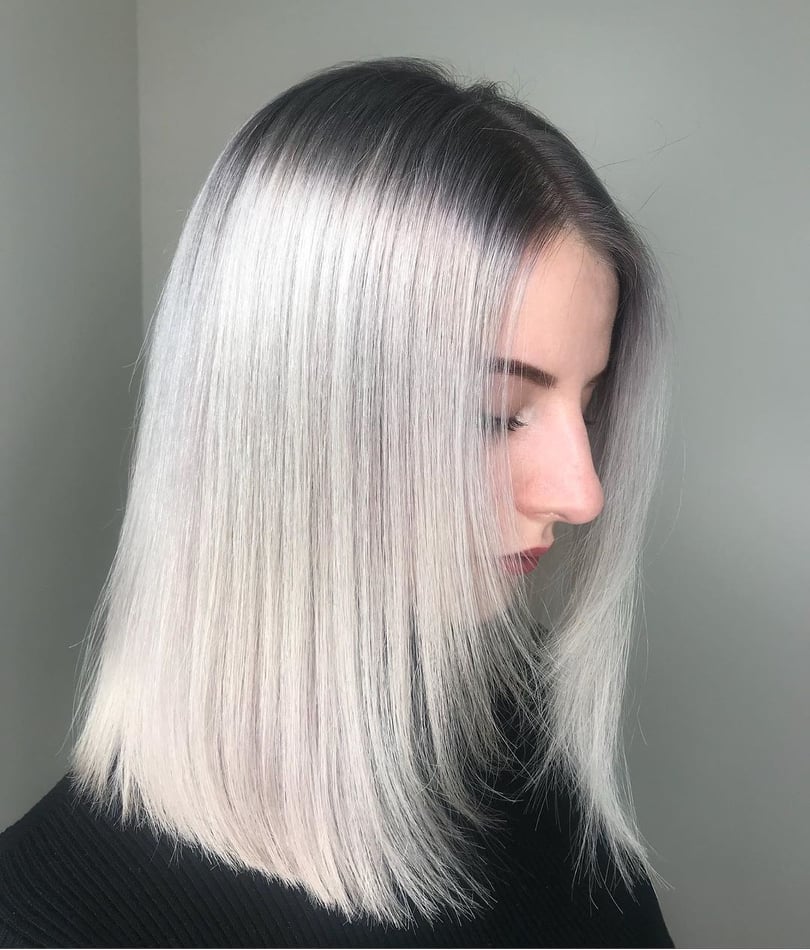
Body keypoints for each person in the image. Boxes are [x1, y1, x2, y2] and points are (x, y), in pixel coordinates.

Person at [0, 56, 676, 947]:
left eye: (587, 408)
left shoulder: (512, 735)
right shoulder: (48, 919)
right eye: (496, 415)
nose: (582, 493)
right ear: (286, 418)